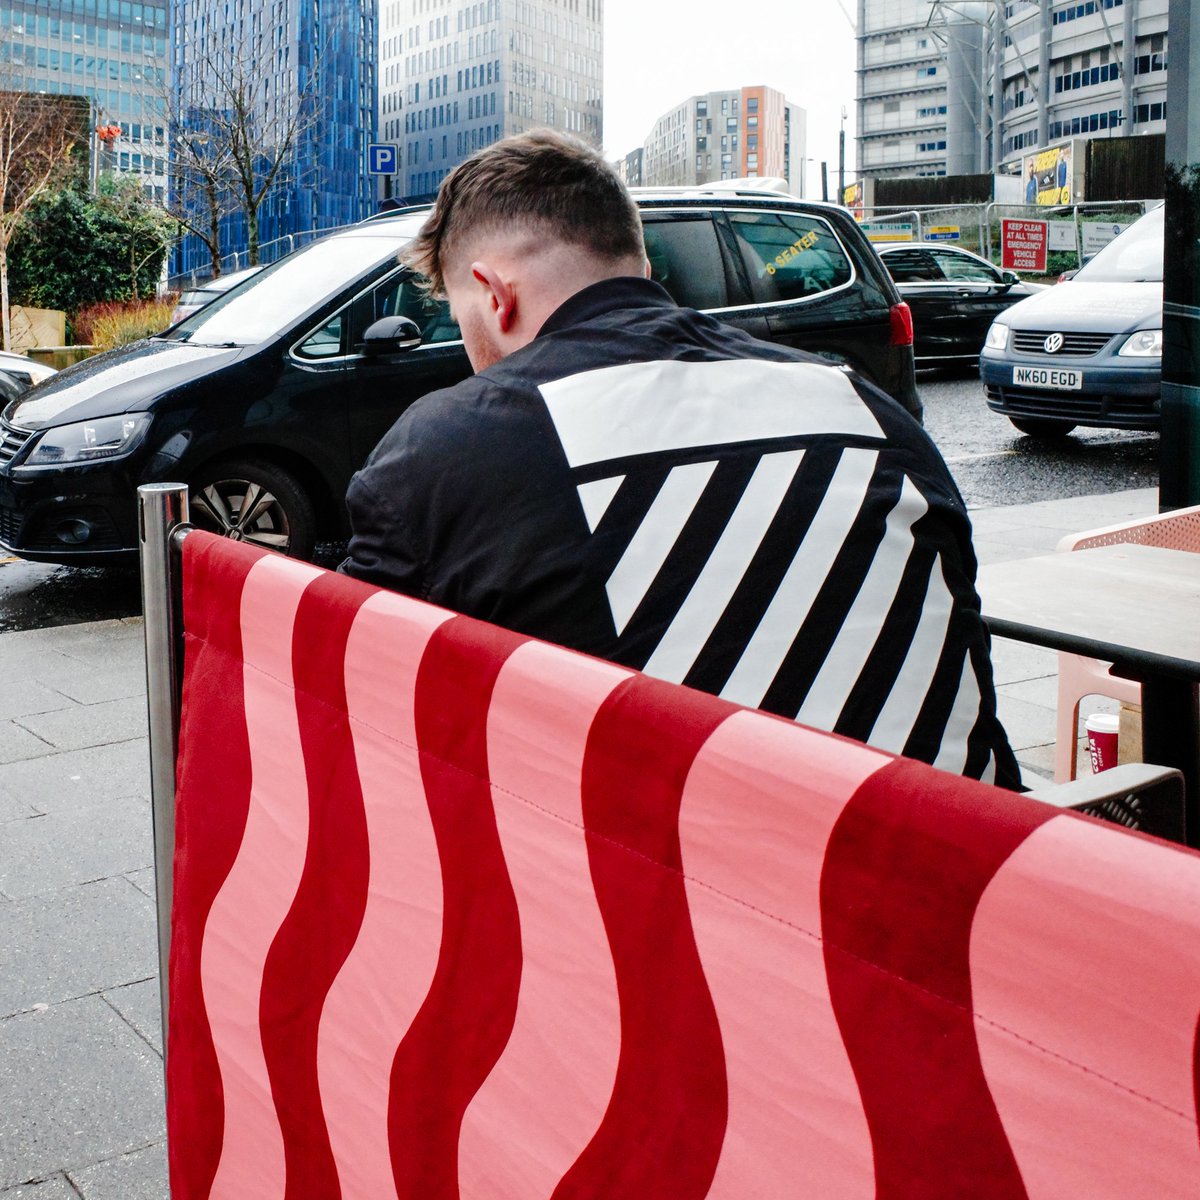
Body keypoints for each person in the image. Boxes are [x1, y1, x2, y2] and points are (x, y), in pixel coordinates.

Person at [341, 130, 1020, 788]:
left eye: (464, 320)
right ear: (637, 261)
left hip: (698, 886)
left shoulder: (450, 446)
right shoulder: (870, 409)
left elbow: (346, 692)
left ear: (494, 294)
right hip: (969, 868)